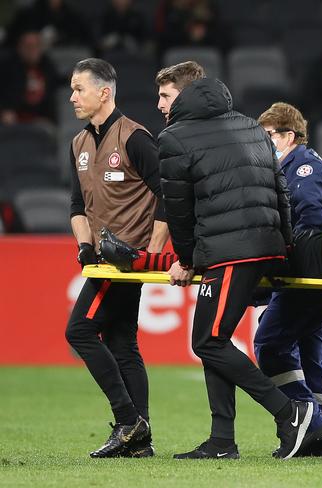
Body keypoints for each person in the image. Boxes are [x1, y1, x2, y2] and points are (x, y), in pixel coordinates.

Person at [154, 61, 320, 460]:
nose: (159, 103)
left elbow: (178, 208)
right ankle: (222, 439)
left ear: (185, 94)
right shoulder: (248, 125)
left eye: (164, 95)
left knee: (207, 340)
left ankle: (291, 413)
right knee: (217, 338)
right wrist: (282, 242)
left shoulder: (175, 137)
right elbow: (279, 187)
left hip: (229, 251)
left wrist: (188, 258)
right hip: (262, 244)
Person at [64, 58, 168, 458]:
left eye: (79, 89)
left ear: (104, 93)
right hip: (102, 260)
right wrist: (83, 244)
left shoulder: (135, 138)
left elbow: (168, 194)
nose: (73, 96)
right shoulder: (78, 143)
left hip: (128, 262)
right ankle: (140, 441)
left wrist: (151, 253)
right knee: (123, 344)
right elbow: (77, 204)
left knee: (80, 332)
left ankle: (128, 420)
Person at [253, 102, 322, 456]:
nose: (262, 145)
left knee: (270, 343)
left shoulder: (303, 168)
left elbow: (311, 220)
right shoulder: (291, 168)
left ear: (288, 137)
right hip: (318, 276)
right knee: (314, 349)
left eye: (268, 137)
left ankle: (309, 419)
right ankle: (321, 428)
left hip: (311, 274)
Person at [0, 30, 59, 126]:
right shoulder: (7, 67)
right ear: (19, 48)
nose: (32, 50)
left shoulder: (47, 66)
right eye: (28, 47)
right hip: (13, 116)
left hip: (40, 117)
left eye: (36, 46)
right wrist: (3, 111)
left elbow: (56, 83)